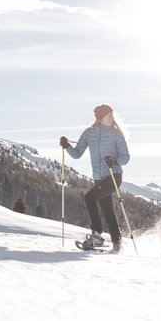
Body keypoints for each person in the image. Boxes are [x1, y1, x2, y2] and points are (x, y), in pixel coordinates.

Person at [60, 104, 130, 253]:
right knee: (108, 211)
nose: (112, 118)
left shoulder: (116, 134)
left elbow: (126, 157)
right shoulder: (88, 133)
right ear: (100, 118)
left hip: (113, 175)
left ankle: (97, 236)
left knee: (89, 198)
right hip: (98, 178)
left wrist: (114, 160)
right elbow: (77, 153)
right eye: (109, 116)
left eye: (112, 115)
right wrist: (66, 146)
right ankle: (117, 243)